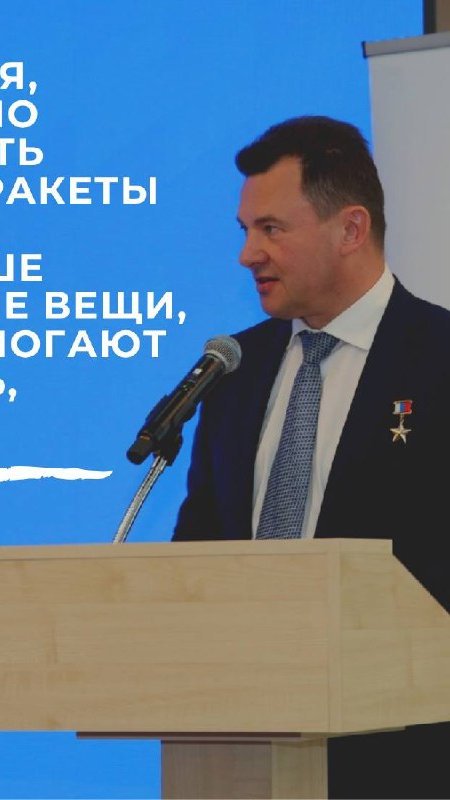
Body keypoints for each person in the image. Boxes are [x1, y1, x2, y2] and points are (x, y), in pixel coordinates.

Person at [172, 116, 450, 799]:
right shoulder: (233, 368)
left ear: (350, 230)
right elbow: (201, 546)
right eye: (245, 230)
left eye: (271, 229)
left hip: (410, 754)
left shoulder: (439, 356)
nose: (248, 254)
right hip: (244, 753)